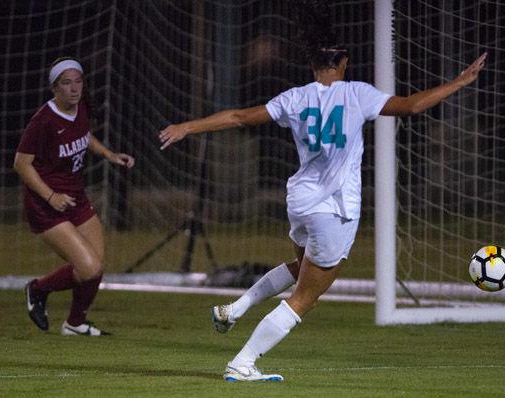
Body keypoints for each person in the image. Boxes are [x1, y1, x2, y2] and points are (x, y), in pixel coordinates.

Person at [159, 19, 486, 380]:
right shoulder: (356, 93)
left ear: (312, 64)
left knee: (303, 269)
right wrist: (458, 82)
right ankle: (243, 362)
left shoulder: (295, 97)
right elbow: (410, 107)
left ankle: (234, 309)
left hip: (300, 202)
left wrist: (188, 126)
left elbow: (239, 117)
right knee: (305, 297)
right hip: (335, 210)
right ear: (344, 61)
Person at [14, 57, 135, 336]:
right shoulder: (43, 121)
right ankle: (37, 288)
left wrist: (109, 154)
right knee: (88, 267)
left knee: (96, 265)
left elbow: (84, 135)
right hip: (45, 203)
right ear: (54, 88)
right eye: (66, 83)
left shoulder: (81, 106)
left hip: (75, 196)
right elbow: (21, 164)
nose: (74, 88)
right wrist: (50, 196)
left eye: (78, 81)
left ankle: (75, 323)